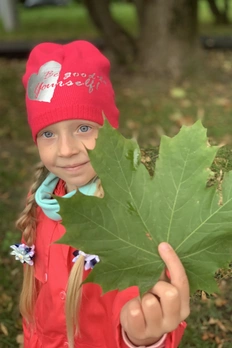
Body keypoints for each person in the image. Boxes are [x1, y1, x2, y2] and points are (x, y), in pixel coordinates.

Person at [11, 40, 189, 348]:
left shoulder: (136, 216)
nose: (66, 150)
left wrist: (145, 338)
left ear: (110, 131)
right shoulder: (42, 202)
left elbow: (153, 310)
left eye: (83, 128)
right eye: (49, 133)